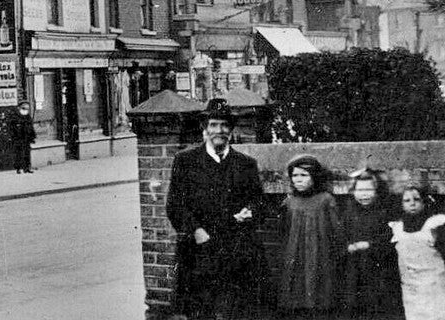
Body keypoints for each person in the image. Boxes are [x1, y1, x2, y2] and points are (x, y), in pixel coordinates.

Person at [165, 98, 268, 320]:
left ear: (230, 129)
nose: (218, 130)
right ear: (205, 128)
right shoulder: (186, 161)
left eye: (223, 125)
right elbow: (175, 205)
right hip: (200, 250)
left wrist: (250, 211)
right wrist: (197, 231)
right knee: (201, 310)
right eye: (213, 125)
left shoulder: (245, 163)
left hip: (237, 249)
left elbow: (259, 202)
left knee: (238, 310)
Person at [275, 154, 344, 316]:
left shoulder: (326, 200)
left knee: (319, 297)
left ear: (315, 177)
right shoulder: (289, 202)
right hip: (295, 256)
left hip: (319, 256)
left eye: (304, 175)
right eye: (294, 175)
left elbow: (336, 232)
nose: (298, 180)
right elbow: (283, 232)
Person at [341, 168, 402, 319]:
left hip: (378, 269)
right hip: (354, 268)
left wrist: (369, 245)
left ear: (377, 191)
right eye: (360, 190)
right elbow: (340, 236)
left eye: (369, 189)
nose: (364, 194)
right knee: (354, 303)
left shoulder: (384, 212)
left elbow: (389, 239)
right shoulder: (349, 213)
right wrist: (348, 245)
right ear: (353, 192)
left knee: (378, 304)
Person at [389, 185, 445, 320]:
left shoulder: (435, 225)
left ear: (424, 202)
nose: (412, 203)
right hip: (410, 289)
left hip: (435, 287)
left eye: (416, 199)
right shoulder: (397, 228)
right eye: (407, 201)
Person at [6, 100, 35, 174]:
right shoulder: (15, 117)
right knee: (18, 153)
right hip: (18, 138)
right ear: (19, 108)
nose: (26, 109)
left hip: (26, 138)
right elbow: (11, 127)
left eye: (27, 107)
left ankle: (27, 168)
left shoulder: (28, 117)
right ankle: (18, 168)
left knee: (27, 153)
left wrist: (32, 136)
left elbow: (31, 127)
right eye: (24, 107)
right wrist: (12, 136)